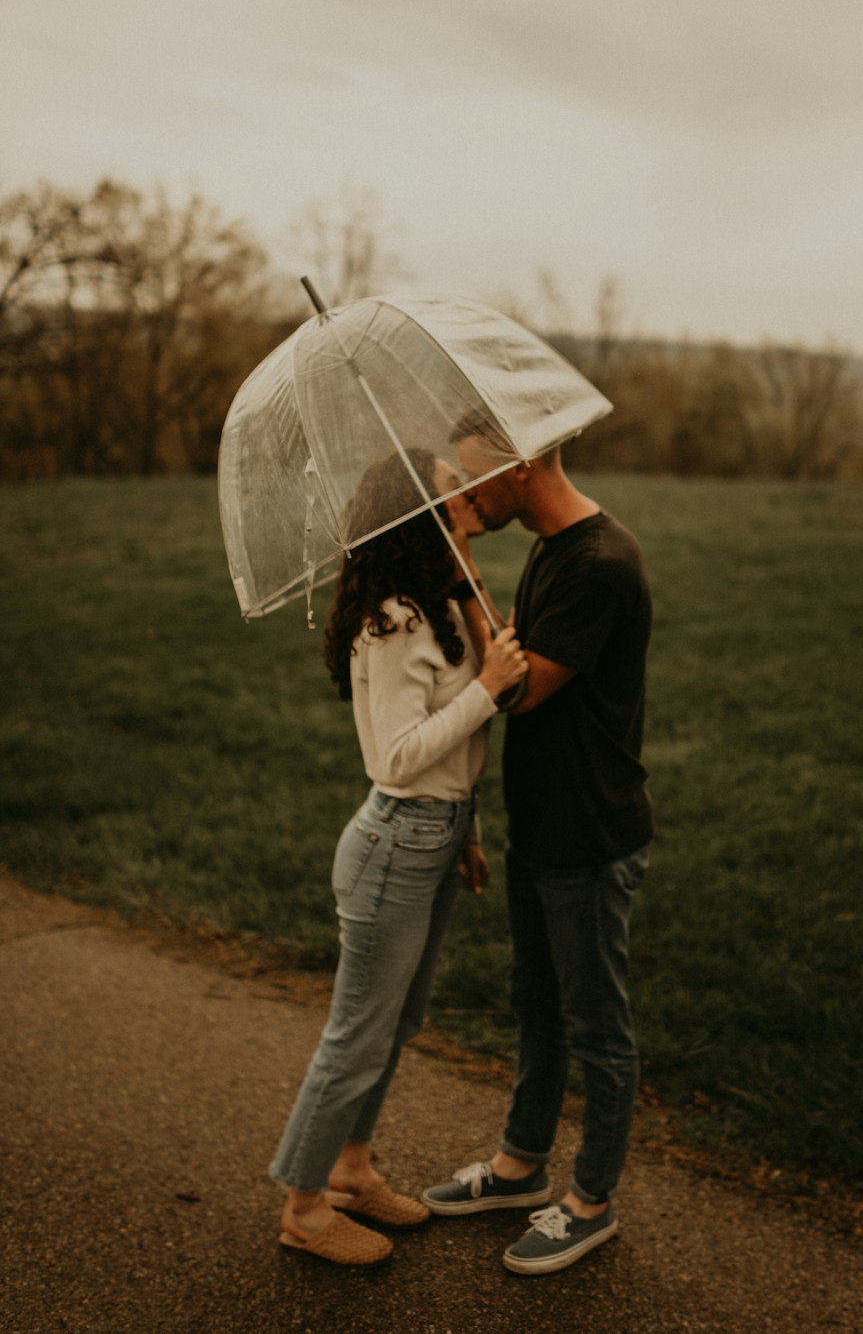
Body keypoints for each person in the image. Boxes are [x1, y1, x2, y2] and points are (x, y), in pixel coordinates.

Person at [269, 448, 528, 1266]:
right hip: (393, 841)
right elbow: (396, 757)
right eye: (452, 488)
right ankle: (304, 1208)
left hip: (436, 834)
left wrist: (470, 831)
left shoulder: (438, 603)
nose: (467, 496)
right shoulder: (392, 620)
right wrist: (488, 686)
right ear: (417, 510)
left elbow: (456, 752)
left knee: (397, 1023)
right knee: (356, 1035)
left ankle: (351, 1168)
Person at [422, 437, 653, 1276]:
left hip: (588, 834)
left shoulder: (601, 563)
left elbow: (517, 687)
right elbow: (507, 659)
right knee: (537, 1002)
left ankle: (591, 1202)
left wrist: (458, 569)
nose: (462, 488)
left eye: (471, 468)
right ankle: (521, 1166)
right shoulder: (555, 550)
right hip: (543, 823)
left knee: (595, 1023)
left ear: (519, 464)